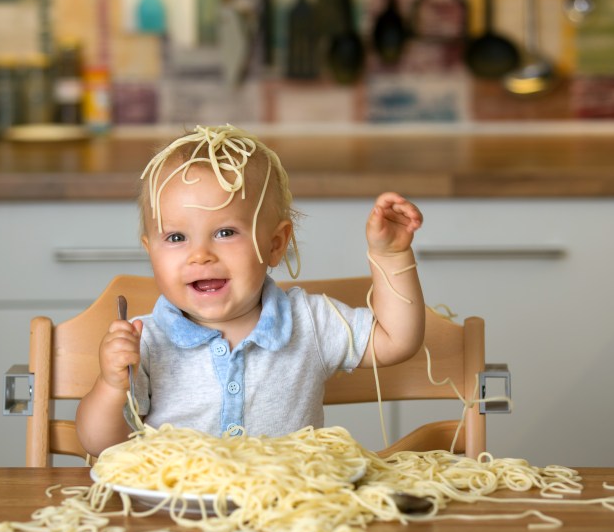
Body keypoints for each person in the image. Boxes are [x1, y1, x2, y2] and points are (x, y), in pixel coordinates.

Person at [76, 125, 425, 457]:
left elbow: (397, 340)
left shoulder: (309, 323)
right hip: (179, 512)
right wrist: (110, 386)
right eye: (176, 238)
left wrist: (391, 256)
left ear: (275, 245)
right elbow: (100, 445)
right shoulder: (145, 342)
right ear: (150, 250)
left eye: (225, 232)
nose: (200, 255)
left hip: (288, 508)